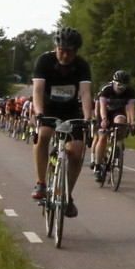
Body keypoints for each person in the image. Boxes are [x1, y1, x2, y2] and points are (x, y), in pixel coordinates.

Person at [31, 27, 93, 214]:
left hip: (71, 111)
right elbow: (38, 91)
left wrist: (88, 118)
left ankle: (67, 196)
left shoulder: (82, 65)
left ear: (76, 51)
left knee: (76, 152)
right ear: (55, 48)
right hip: (48, 109)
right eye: (61, 50)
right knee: (43, 134)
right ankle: (41, 183)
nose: (65, 55)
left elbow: (85, 93)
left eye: (70, 51)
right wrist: (39, 113)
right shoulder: (44, 61)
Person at [92, 69, 135, 160]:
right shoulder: (106, 90)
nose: (121, 88)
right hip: (105, 112)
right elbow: (102, 106)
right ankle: (97, 163)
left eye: (124, 86)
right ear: (114, 82)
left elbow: (131, 107)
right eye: (119, 85)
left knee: (121, 121)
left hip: (118, 112)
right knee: (102, 137)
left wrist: (133, 121)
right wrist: (104, 119)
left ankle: (118, 143)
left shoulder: (130, 92)